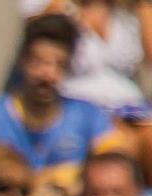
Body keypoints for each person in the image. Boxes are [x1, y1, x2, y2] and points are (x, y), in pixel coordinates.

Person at [0, 15, 130, 196]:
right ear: (23, 61)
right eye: (39, 62)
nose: (47, 75)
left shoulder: (87, 115)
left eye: (58, 65)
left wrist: (71, 186)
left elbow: (119, 164)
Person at [19, 0, 152, 117]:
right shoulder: (59, 8)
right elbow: (36, 44)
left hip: (128, 108)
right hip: (73, 110)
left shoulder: (129, 13)